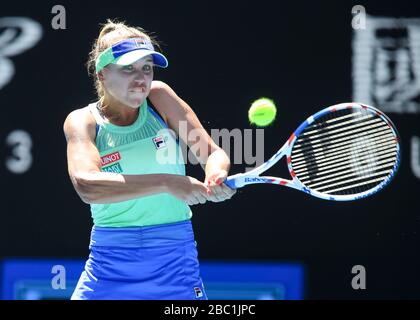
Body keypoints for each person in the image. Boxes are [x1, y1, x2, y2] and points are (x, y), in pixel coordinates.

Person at [63, 19, 236, 300]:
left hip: (175, 263)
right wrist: (168, 183)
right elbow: (86, 184)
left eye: (146, 68)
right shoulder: (82, 121)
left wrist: (216, 173)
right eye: (128, 68)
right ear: (102, 73)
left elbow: (212, 153)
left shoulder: (159, 97)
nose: (141, 78)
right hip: (109, 266)